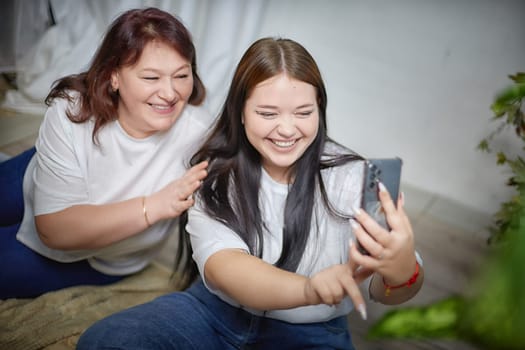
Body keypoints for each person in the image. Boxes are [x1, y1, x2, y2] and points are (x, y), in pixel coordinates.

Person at [77, 37, 424, 349]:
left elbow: (388, 290)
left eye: (304, 112)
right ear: (241, 112)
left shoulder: (352, 178)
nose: (286, 129)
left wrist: (400, 266)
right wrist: (309, 288)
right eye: (267, 113)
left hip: (312, 334)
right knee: (106, 341)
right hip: (213, 313)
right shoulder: (213, 172)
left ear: (320, 108)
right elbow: (224, 267)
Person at [0, 7, 211, 299]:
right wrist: (154, 206)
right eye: (151, 78)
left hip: (99, 256)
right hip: (38, 177)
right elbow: (54, 224)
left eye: (181, 75)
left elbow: (55, 234)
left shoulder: (200, 134)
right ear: (114, 77)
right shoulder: (71, 111)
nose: (170, 93)